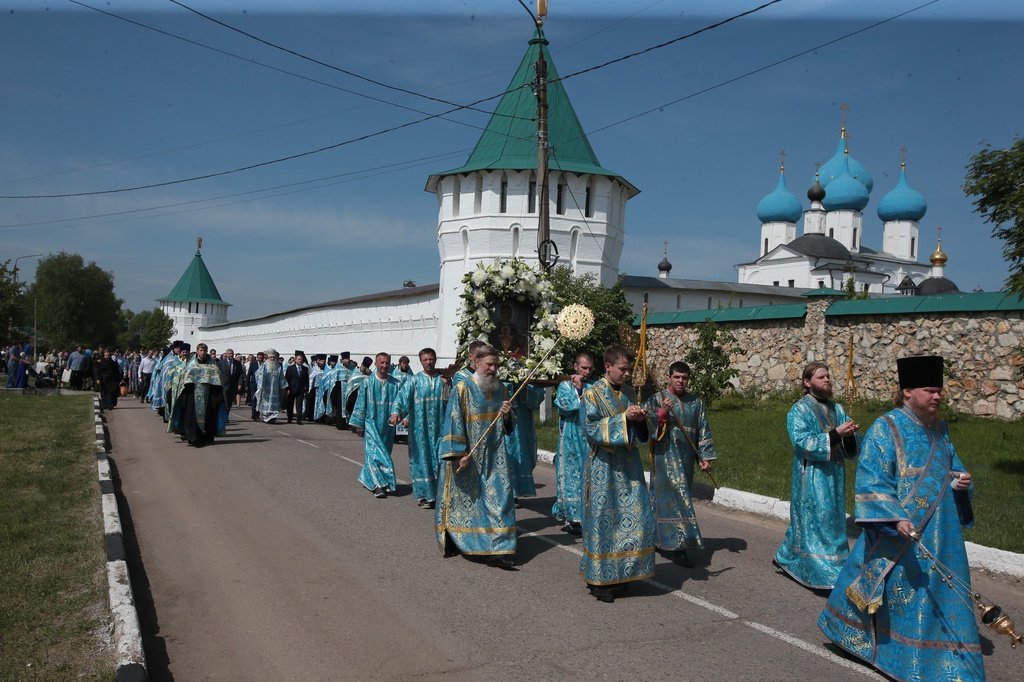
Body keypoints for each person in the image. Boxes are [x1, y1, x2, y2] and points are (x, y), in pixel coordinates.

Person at [819, 355, 984, 682]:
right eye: (929, 390)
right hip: (900, 531)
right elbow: (871, 480)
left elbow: (951, 467)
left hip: (943, 532)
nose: (937, 396)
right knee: (904, 593)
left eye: (939, 390)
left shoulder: (941, 429)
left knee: (940, 595)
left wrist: (961, 481)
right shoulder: (886, 427)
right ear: (907, 391)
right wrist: (894, 518)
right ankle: (897, 655)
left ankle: (947, 663)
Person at [774, 362, 860, 590]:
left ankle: (787, 556)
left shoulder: (838, 409)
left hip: (835, 474)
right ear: (807, 382)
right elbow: (802, 443)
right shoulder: (799, 410)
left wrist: (850, 435)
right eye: (821, 376)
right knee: (817, 520)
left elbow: (852, 445)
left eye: (828, 376)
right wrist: (835, 434)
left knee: (832, 519)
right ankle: (824, 572)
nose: (827, 380)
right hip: (811, 476)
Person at [580, 345, 655, 603]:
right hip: (604, 466)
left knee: (635, 517)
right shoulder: (592, 394)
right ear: (608, 366)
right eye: (622, 369)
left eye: (628, 370)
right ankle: (599, 580)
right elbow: (590, 428)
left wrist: (640, 418)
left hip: (629, 465)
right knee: (604, 521)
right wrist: (624, 419)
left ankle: (624, 572)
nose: (626, 374)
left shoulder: (630, 392)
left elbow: (641, 430)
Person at [435, 345, 517, 569]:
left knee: (500, 499)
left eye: (495, 365)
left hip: (494, 455)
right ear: (476, 363)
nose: (493, 369)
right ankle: (461, 540)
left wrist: (508, 415)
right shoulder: (462, 388)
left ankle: (498, 548)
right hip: (469, 455)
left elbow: (508, 427)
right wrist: (459, 454)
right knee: (467, 504)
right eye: (489, 364)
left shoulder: (500, 389)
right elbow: (453, 421)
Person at [643, 361, 718, 568]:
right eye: (677, 377)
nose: (681, 381)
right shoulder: (657, 399)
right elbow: (647, 425)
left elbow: (703, 430)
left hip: (685, 460)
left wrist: (705, 457)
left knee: (678, 498)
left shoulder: (696, 403)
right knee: (672, 500)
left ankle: (663, 540)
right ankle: (677, 546)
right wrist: (663, 413)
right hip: (663, 457)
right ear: (669, 377)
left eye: (684, 378)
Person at [389, 347, 450, 509]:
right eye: (425, 360)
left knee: (440, 461)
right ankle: (423, 495)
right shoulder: (414, 381)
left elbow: (450, 403)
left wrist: (447, 387)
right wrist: (396, 413)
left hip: (440, 429)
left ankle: (439, 495)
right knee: (421, 461)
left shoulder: (442, 381)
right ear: (421, 361)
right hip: (419, 431)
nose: (428, 362)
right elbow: (402, 398)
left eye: (431, 359)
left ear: (435, 360)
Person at [552, 351, 595, 536]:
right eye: (583, 368)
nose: (586, 372)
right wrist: (578, 390)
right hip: (570, 436)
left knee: (588, 476)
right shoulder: (564, 386)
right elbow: (565, 406)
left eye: (590, 368)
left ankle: (589, 516)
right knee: (571, 475)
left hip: (589, 437)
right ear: (575, 367)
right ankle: (573, 519)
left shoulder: (594, 387)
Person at [350, 352, 401, 498]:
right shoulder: (367, 382)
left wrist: (402, 417)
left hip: (388, 427)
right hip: (371, 424)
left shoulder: (395, 384)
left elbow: (400, 403)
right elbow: (361, 403)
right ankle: (379, 485)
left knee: (384, 454)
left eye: (387, 363)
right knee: (373, 455)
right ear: (376, 364)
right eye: (382, 363)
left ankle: (370, 478)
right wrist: (359, 425)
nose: (384, 366)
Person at [169, 343, 227, 447]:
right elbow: (185, 377)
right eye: (201, 350)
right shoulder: (191, 364)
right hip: (193, 393)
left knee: (209, 415)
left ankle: (207, 437)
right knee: (192, 416)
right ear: (197, 351)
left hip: (209, 394)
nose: (203, 353)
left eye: (205, 351)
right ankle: (193, 437)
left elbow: (218, 376)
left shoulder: (212, 365)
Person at [504, 380, 544, 500]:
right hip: (504, 419)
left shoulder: (529, 372)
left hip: (522, 421)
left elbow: (537, 398)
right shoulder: (498, 370)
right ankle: (506, 492)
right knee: (507, 456)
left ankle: (517, 491)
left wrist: (523, 389)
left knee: (524, 454)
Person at [254, 349, 286, 423]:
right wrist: (261, 385)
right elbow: (259, 374)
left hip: (275, 389)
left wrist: (283, 386)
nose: (272, 359)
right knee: (266, 403)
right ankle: (266, 417)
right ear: (268, 358)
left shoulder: (278, 366)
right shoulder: (264, 365)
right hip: (266, 388)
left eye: (273, 357)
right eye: (271, 357)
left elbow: (281, 376)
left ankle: (273, 418)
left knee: (274, 403)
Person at [284, 351, 310, 424]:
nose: (300, 361)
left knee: (299, 404)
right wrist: (287, 389)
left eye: (301, 359)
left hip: (300, 389)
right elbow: (287, 379)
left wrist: (307, 388)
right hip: (291, 389)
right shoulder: (290, 368)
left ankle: (299, 419)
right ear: (295, 360)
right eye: (298, 359)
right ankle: (290, 418)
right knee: (290, 404)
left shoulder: (305, 369)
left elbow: (306, 379)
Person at [217, 348, 244, 414]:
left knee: (229, 402)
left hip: (233, 386)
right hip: (224, 385)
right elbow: (217, 373)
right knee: (225, 401)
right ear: (226, 354)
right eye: (229, 353)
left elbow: (240, 374)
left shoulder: (237, 363)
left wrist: (240, 384)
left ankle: (226, 414)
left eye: (232, 353)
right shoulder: (221, 363)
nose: (231, 355)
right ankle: (225, 415)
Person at [247, 351, 266, 420]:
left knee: (260, 400)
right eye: (259, 358)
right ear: (257, 357)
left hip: (261, 386)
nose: (260, 359)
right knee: (254, 400)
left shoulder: (264, 365)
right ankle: (253, 414)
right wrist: (247, 385)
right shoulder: (253, 364)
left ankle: (257, 414)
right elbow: (249, 374)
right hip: (254, 385)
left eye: (261, 358)